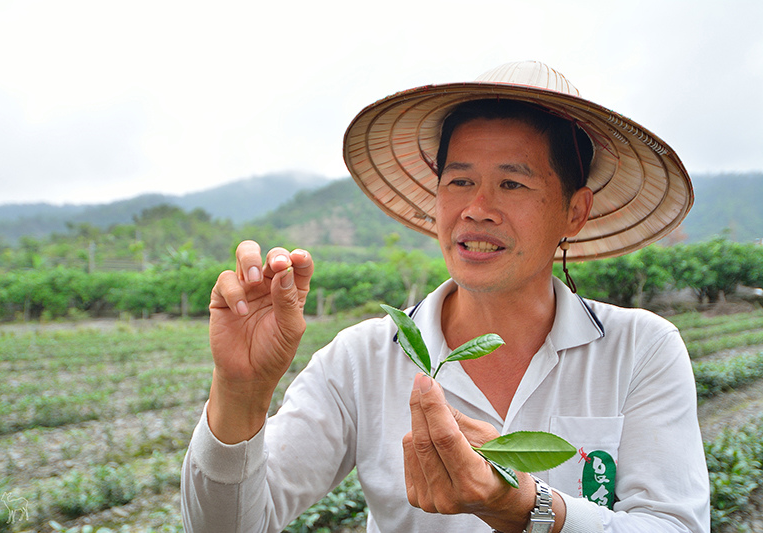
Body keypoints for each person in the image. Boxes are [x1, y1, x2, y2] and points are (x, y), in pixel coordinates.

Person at [181, 61, 710, 532]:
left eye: (511, 184)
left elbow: (673, 523)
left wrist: (527, 508)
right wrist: (240, 391)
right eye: (459, 182)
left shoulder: (639, 350)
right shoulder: (362, 359)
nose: (477, 209)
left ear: (574, 210)